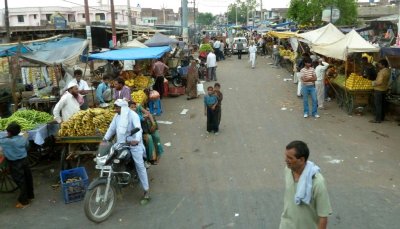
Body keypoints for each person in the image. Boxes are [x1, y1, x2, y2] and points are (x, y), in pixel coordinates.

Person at [103, 99, 150, 201]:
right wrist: (105, 139)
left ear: (123, 108)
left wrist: (136, 140)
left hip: (134, 144)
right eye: (115, 107)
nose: (115, 110)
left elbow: (138, 128)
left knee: (139, 165)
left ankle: (146, 190)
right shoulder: (117, 117)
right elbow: (111, 129)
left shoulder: (133, 115)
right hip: (121, 143)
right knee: (110, 159)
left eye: (117, 107)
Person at [279, 140, 332, 229]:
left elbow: (323, 217)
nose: (286, 160)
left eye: (290, 158)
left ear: (302, 160)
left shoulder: (317, 182)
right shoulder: (288, 170)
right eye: (286, 156)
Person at [0, 123, 34, 209]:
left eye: (7, 132)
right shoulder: (23, 138)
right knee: (27, 177)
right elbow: (27, 146)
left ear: (10, 133)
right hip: (24, 160)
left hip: (15, 163)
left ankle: (24, 201)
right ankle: (30, 195)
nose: (7, 133)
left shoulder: (5, 141)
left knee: (20, 181)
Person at [370, 59, 391, 123]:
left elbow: (379, 82)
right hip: (384, 89)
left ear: (383, 65)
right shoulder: (388, 71)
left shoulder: (382, 72)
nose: (378, 65)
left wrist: (373, 83)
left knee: (378, 105)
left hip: (379, 90)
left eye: (380, 64)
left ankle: (377, 119)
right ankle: (382, 117)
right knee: (382, 104)